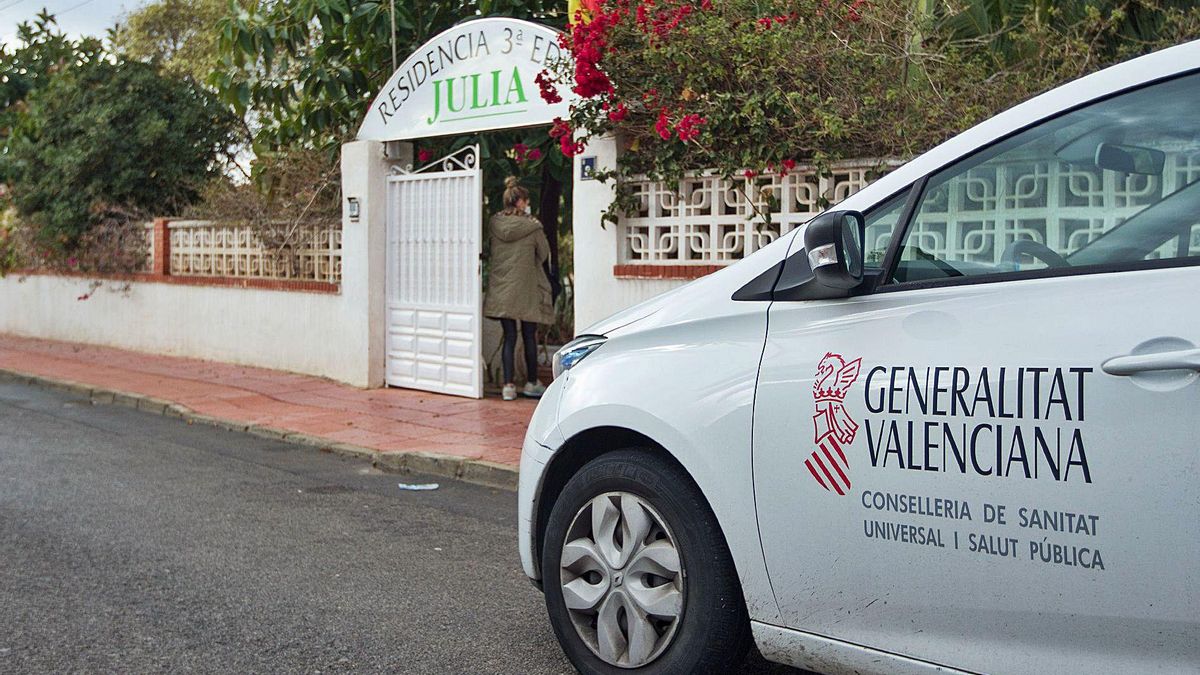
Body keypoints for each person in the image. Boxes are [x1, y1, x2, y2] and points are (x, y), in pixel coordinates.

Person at [484, 176, 555, 401]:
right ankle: (532, 383)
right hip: (526, 288)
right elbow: (543, 254)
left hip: (502, 288)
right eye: (525, 200)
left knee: (509, 336)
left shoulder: (494, 224)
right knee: (528, 335)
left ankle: (507, 386)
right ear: (520, 202)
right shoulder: (532, 227)